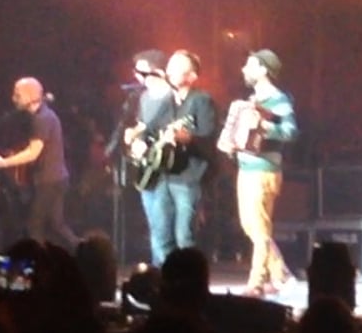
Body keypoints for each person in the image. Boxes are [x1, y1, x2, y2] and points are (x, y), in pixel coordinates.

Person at [126, 50, 219, 269]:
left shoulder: (201, 100)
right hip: (164, 174)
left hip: (189, 177)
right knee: (161, 234)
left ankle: (189, 280)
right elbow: (150, 129)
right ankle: (164, 278)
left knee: (184, 236)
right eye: (170, 67)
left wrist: (187, 138)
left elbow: (208, 138)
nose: (170, 71)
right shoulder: (166, 100)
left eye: (177, 68)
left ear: (191, 76)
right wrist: (137, 138)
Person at [228, 50, 299, 299]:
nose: (244, 69)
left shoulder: (278, 100)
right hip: (247, 169)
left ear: (263, 70)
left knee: (259, 228)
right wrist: (234, 143)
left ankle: (256, 282)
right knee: (251, 226)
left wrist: (264, 126)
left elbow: (290, 131)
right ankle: (281, 275)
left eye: (250, 65)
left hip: (264, 171)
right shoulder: (252, 100)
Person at [0, 78, 75, 251]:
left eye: (17, 95)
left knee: (35, 225)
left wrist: (4, 163)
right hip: (55, 178)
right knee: (57, 225)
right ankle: (85, 251)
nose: (13, 98)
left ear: (30, 96)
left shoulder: (42, 119)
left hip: (50, 180)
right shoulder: (43, 116)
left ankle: (40, 262)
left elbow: (33, 153)